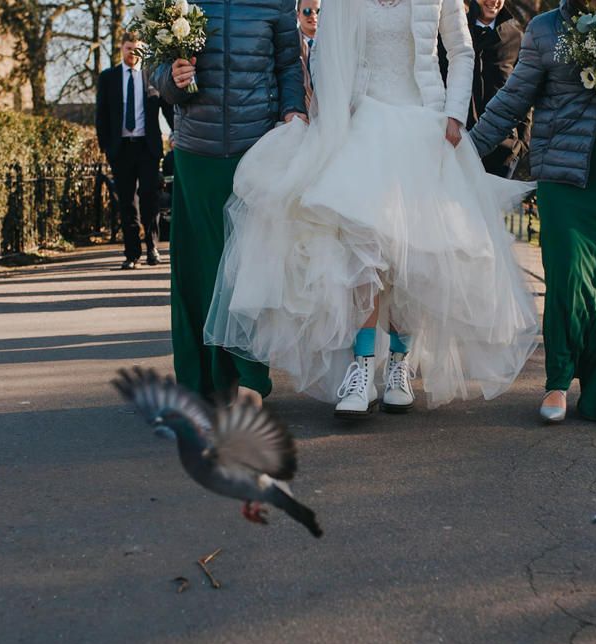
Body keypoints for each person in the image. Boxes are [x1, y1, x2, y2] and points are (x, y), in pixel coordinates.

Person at [204, 0, 538, 418]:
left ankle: (399, 364)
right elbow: (326, 51)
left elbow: (462, 51)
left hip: (423, 127)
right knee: (366, 252)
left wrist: (454, 114)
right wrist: (331, 113)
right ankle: (361, 369)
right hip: (364, 127)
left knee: (414, 252)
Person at [471, 0, 596, 427]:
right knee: (568, 277)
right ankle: (556, 381)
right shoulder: (543, 29)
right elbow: (513, 99)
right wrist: (466, 150)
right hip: (563, 175)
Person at [151, 0, 306, 406]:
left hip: (254, 152)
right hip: (195, 153)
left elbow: (289, 65)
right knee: (198, 267)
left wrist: (293, 110)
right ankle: (199, 379)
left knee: (248, 268)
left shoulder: (276, 3)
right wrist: (172, 79)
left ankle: (249, 378)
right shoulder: (180, 2)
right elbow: (157, 67)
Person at [96, 33, 174, 269]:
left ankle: (152, 248)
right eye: (129, 48)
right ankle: (131, 253)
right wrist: (106, 147)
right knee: (127, 202)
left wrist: (175, 131)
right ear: (121, 48)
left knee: (150, 198)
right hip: (121, 149)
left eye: (137, 49)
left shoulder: (153, 76)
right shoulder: (109, 78)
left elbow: (168, 108)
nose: (132, 53)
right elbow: (102, 114)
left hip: (147, 147)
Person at [440, 0, 529, 177]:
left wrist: (522, 144)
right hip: (456, 141)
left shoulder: (516, 37)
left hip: (501, 151)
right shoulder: (454, 31)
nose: (493, 1)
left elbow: (524, 92)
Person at [298, 0, 321, 110]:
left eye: (318, 11)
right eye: (307, 11)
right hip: (300, 110)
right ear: (297, 14)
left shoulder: (333, 43)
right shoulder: (288, 43)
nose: (314, 16)